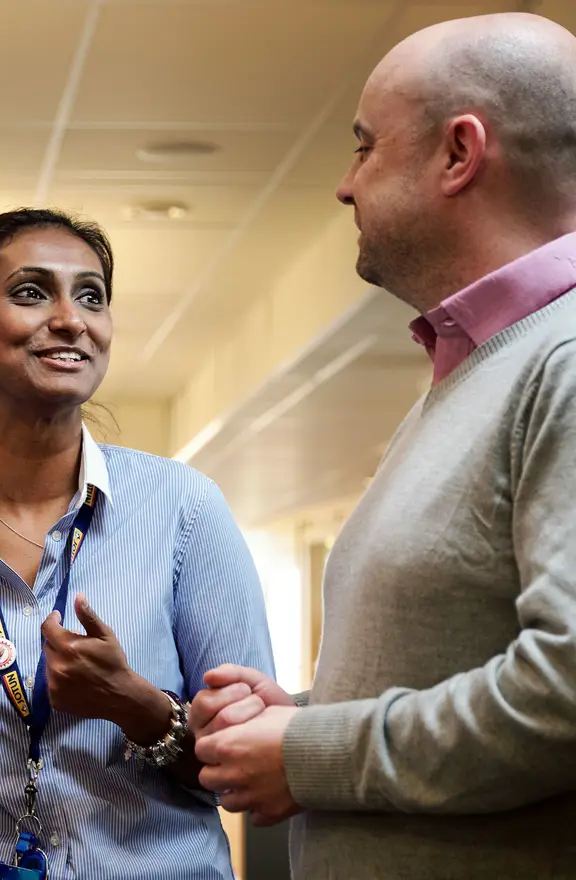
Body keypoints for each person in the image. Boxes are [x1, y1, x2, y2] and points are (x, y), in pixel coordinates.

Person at [189, 12, 576, 879]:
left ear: (458, 153)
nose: (344, 185)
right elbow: (462, 653)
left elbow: (567, 694)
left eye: (364, 147)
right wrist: (303, 711)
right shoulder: (474, 368)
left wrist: (313, 750)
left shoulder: (565, 361)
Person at [0, 208, 274, 879]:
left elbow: (253, 756)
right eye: (32, 292)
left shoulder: (184, 509)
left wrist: (139, 707)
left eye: (91, 296)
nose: (71, 319)